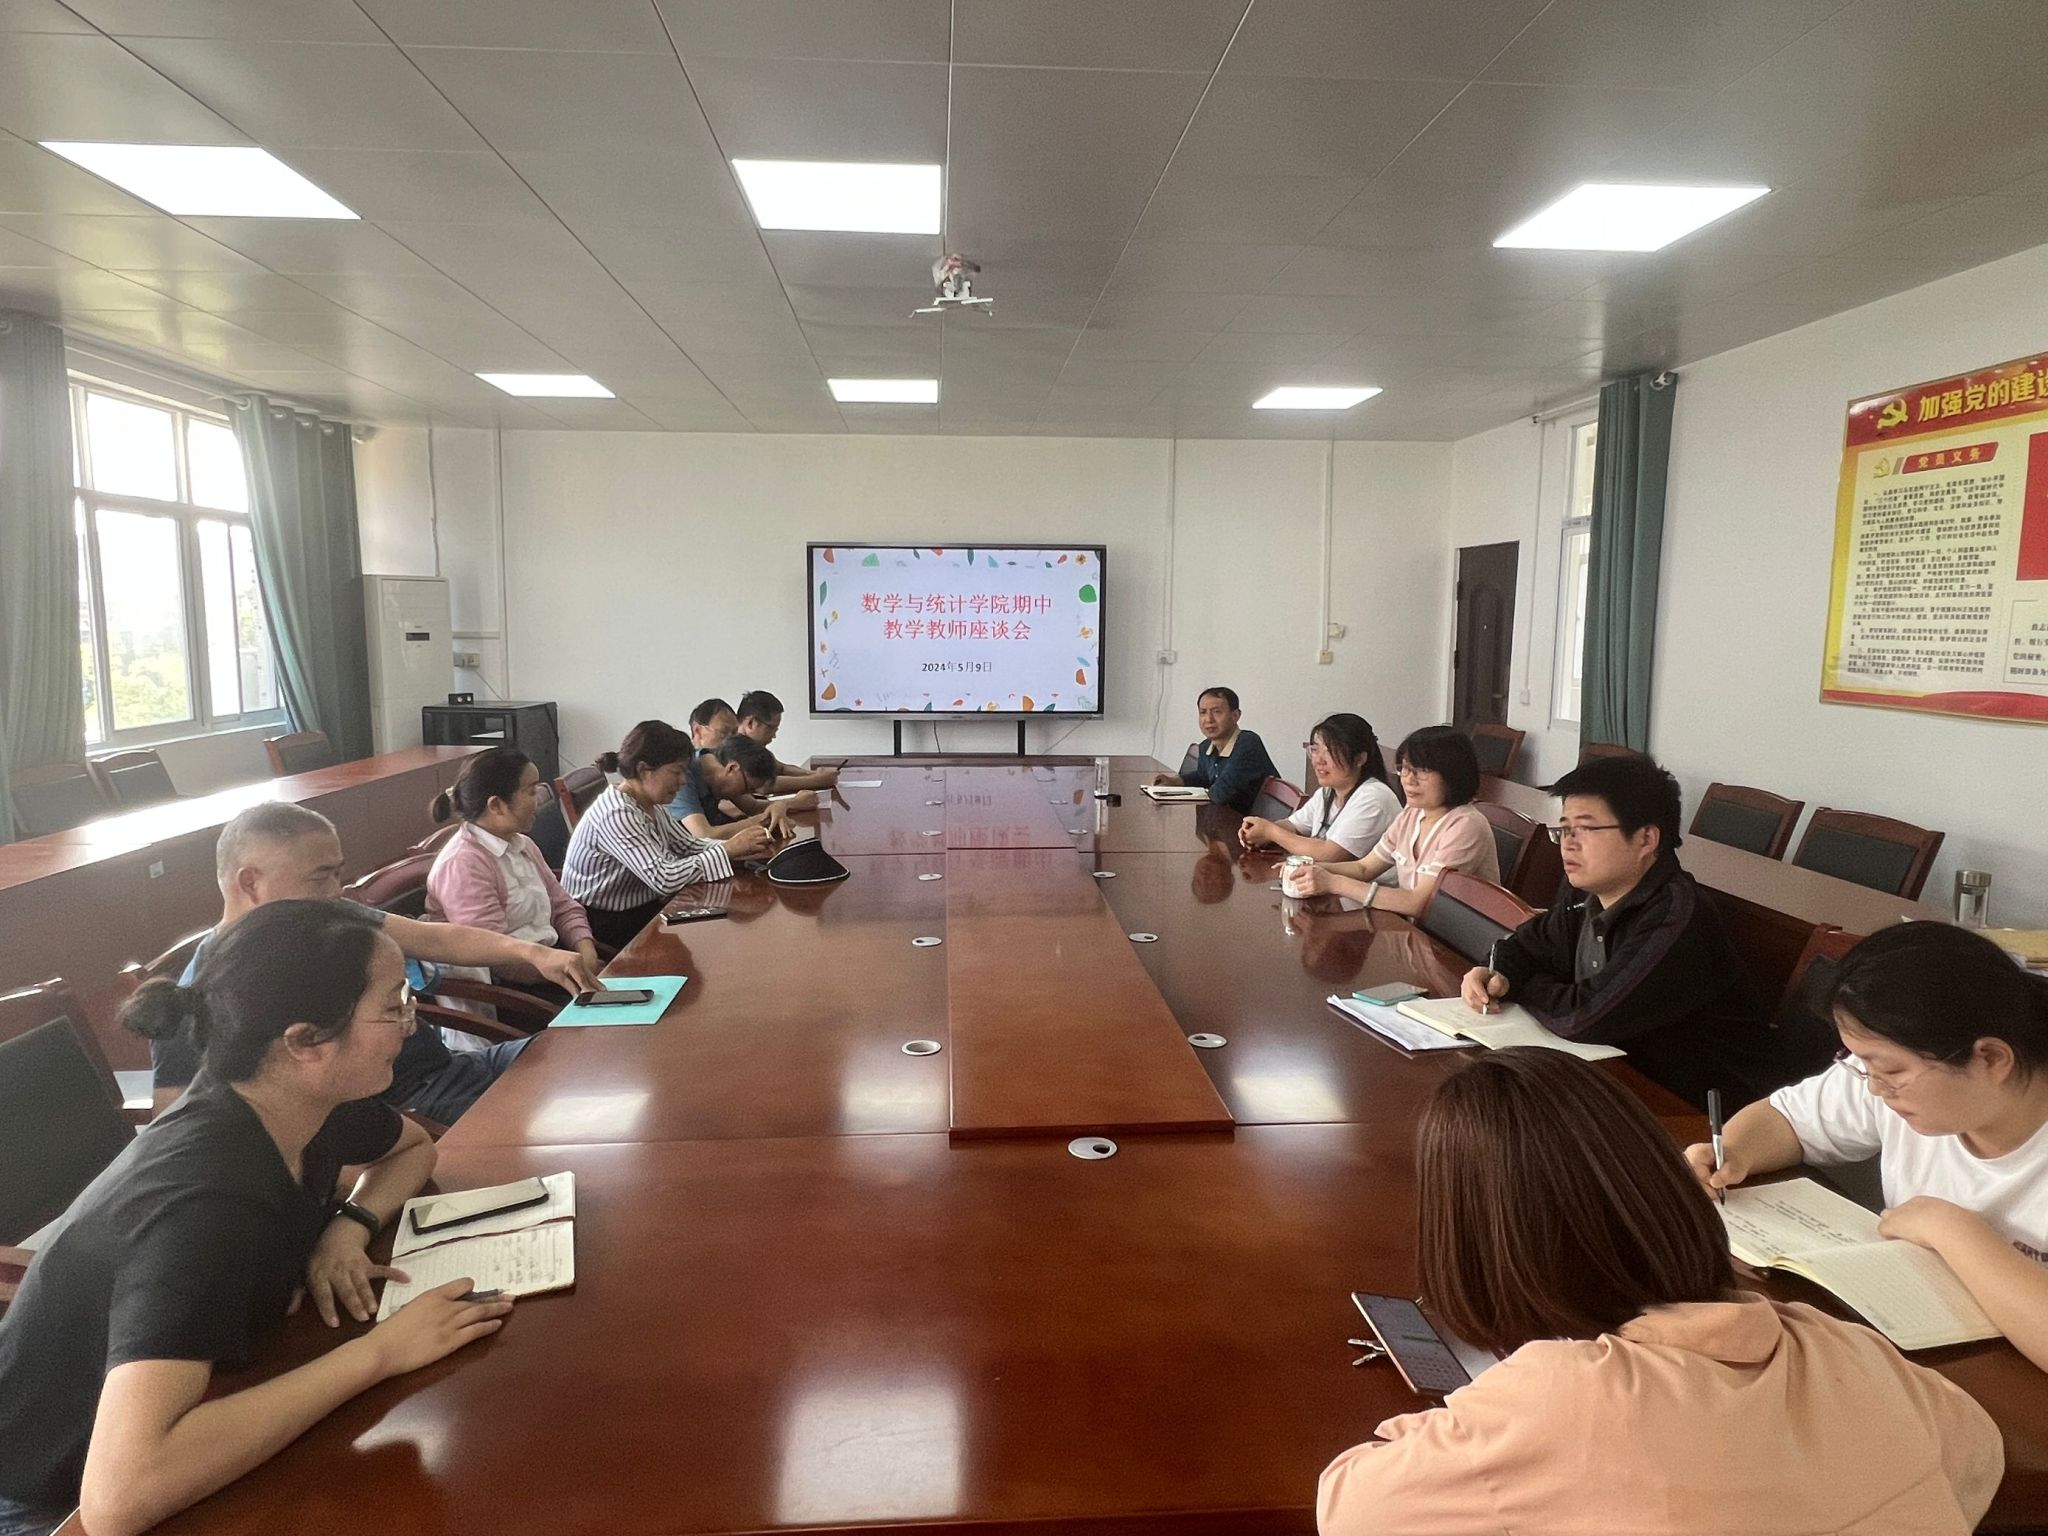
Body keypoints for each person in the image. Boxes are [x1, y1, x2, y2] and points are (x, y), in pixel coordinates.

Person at [1316, 1048, 2003, 1536]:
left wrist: (1485, 1407)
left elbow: (1349, 1506)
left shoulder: (1559, 1397)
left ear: (1474, 1243)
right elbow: (1977, 1454)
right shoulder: (1847, 1350)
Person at [0, 901, 515, 1536]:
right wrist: (381, 1352)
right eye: (394, 1005)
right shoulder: (203, 1203)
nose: (410, 1026)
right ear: (305, 1041)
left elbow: (413, 1150)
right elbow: (119, 1499)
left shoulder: (298, 1101)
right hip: (48, 1499)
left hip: (204, 1399)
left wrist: (347, 1228)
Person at [1689, 922, 2048, 1372]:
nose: (1875, 1088)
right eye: (1862, 1064)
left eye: (1891, 1072)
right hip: (1923, 1349)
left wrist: (1953, 1230)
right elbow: (1786, 1120)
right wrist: (1733, 1153)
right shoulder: (1892, 1074)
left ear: (1991, 1058)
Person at [145, 803, 597, 1123]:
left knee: (582, 1053)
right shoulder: (207, 990)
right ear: (250, 883)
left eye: (338, 873)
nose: (337, 891)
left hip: (453, 1070)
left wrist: (534, 953)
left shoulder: (327, 917)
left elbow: (436, 938)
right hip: (404, 1113)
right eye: (321, 877)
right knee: (574, 1116)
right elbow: (177, 1120)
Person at [1457, 754, 1775, 1110]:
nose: (1568, 843)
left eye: (1586, 829)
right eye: (1564, 829)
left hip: (1697, 1109)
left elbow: (1583, 1017)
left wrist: (1522, 983)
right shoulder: (1584, 891)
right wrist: (1496, 971)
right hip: (1615, 1078)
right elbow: (1526, 945)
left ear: (1646, 839)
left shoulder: (1677, 916)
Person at [562, 720, 762, 949]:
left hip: (641, 908)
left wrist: (742, 846)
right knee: (715, 940)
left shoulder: (649, 803)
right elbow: (664, 879)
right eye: (676, 772)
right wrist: (728, 850)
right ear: (644, 770)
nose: (683, 781)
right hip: (602, 924)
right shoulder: (617, 813)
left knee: (723, 931)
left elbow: (688, 846)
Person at [424, 747, 600, 1000]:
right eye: (531, 791)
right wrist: (568, 971)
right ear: (496, 805)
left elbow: (563, 906)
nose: (538, 799)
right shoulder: (463, 863)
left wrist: (586, 952)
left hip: (555, 965)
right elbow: (497, 957)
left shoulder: (523, 844)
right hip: (513, 992)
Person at [1282, 725, 1497, 915]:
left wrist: (1333, 882)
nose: (1409, 779)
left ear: (1454, 774)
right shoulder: (1412, 814)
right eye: (1405, 769)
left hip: (1456, 943)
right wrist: (1310, 869)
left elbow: (1418, 903)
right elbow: (1364, 868)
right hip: (1413, 932)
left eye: (1422, 771)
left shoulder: (1465, 825)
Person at [1238, 713, 1399, 861]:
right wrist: (1258, 832)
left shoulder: (1374, 797)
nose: (1318, 760)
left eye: (1331, 751)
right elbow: (1294, 826)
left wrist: (1271, 832)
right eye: (1315, 749)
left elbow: (1330, 854)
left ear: (1359, 759)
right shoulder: (1327, 792)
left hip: (1367, 883)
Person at [1150, 686, 1277, 814]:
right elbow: (1202, 777)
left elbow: (1221, 794)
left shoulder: (1248, 744)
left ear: (1235, 715)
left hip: (1256, 823)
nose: (1209, 719)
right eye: (1203, 712)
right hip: (1227, 817)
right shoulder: (1206, 746)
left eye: (1217, 712)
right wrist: (1174, 781)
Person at [666, 733, 793, 842]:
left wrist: (780, 805)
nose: (750, 793)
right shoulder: (683, 776)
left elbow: (753, 807)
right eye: (748, 789)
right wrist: (764, 819)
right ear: (733, 768)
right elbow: (704, 835)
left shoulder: (720, 764)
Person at [735, 689, 837, 801]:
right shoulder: (733, 746)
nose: (774, 736)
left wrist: (813, 773)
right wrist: (818, 781)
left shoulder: (753, 747)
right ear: (751, 723)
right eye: (771, 729)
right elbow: (764, 785)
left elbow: (781, 768)